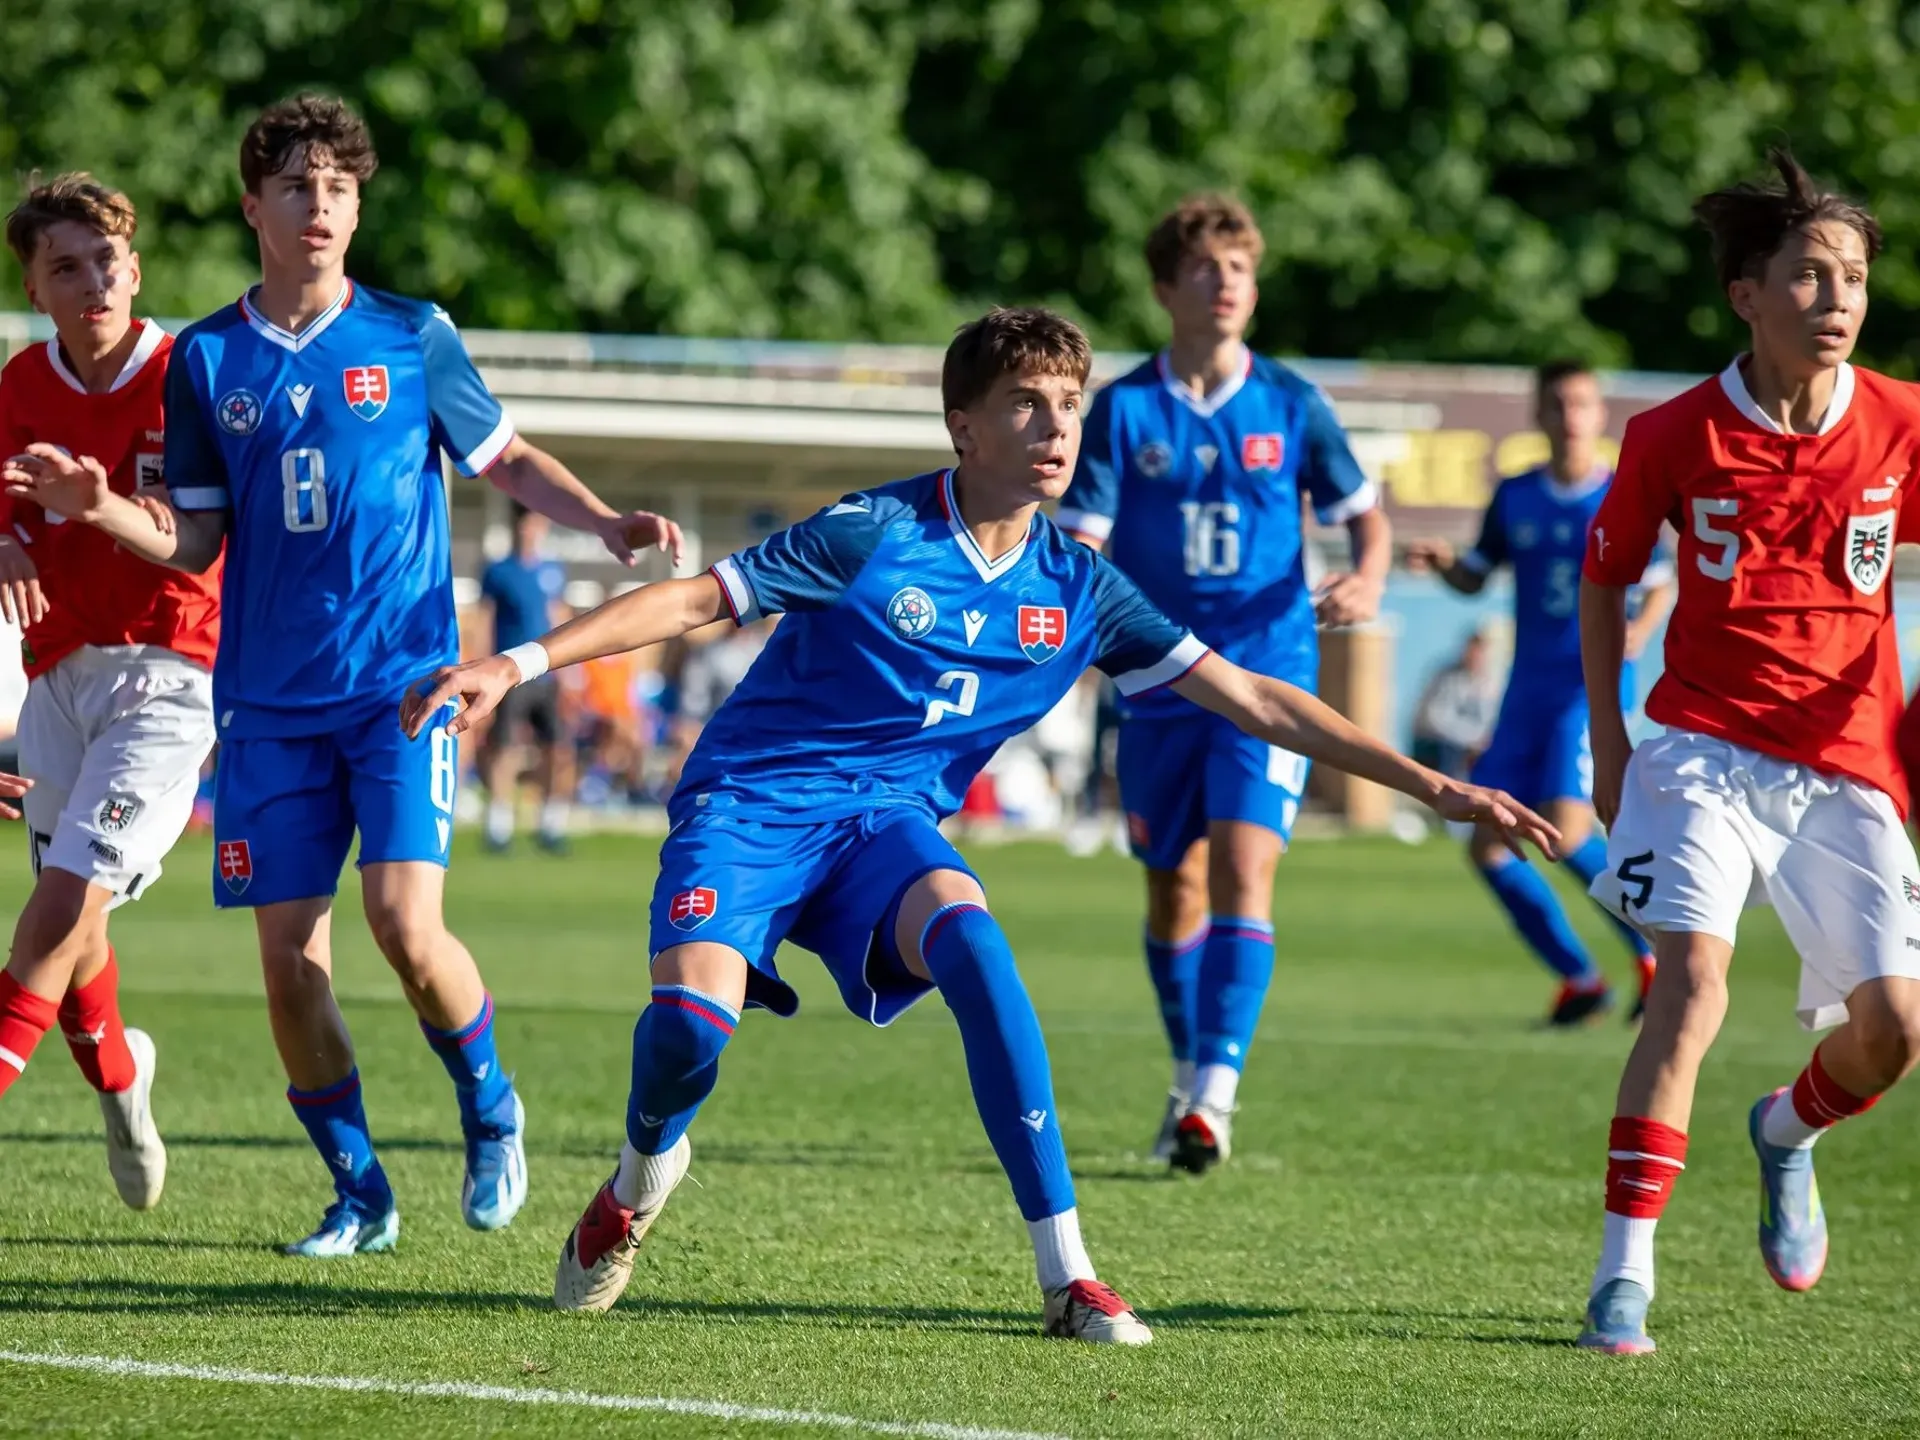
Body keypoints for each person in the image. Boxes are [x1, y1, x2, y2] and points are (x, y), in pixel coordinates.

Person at [403, 306, 1556, 1345]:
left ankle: (1068, 1276)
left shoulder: (1083, 587)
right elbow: (698, 599)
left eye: (1069, 406)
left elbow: (1253, 697)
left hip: (885, 829)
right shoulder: (871, 533)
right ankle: (640, 1177)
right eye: (1026, 404)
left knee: (976, 939)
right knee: (689, 1037)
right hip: (751, 806)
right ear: (964, 424)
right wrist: (518, 659)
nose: (1057, 428)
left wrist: (1431, 784)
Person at [4, 95, 683, 1257]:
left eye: (339, 187)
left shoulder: (412, 334)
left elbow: (503, 454)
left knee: (403, 925)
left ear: (357, 207)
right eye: (296, 185)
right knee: (287, 967)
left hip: (402, 683)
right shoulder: (208, 359)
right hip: (266, 700)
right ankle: (361, 1191)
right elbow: (196, 541)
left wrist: (605, 521)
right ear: (252, 206)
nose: (319, 205)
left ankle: (490, 1106)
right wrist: (96, 505)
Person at [1575, 150, 1920, 1355]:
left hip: (1848, 768)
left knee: (1897, 1032)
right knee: (1691, 990)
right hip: (1701, 754)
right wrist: (1613, 749)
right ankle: (1625, 1278)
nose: (1838, 300)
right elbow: (1606, 576)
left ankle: (1788, 1130)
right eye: (1811, 276)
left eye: (1856, 280)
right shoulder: (1672, 433)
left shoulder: (1901, 421)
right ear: (1746, 295)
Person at [1055, 194, 1390, 1171]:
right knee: (1173, 889)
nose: (1227, 283)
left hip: (1267, 670)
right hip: (1158, 679)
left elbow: (1362, 512)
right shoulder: (1123, 407)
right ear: (1166, 288)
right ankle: (1190, 1069)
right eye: (1206, 268)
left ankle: (1213, 1095)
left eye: (1240, 267)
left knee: (1246, 868)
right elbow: (1084, 538)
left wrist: (1365, 573)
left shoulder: (1290, 400)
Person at [0, 174, 224, 1211]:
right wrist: (4, 538)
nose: (94, 282)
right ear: (36, 289)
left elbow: (206, 538)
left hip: (171, 678)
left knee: (55, 911)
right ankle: (123, 1086)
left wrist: (100, 512)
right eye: (66, 268)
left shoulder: (193, 374)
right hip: (55, 679)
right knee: (76, 931)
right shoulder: (18, 385)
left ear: (136, 269)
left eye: (108, 262)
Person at [1407, 363, 1674, 1025]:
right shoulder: (1516, 494)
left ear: (1598, 413)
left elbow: (1663, 577)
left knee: (1565, 826)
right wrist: (1445, 564)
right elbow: (1476, 574)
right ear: (1539, 415)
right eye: (1557, 403)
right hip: (1525, 689)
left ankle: (1658, 950)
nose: (1570, 415)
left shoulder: (1619, 492)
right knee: (1487, 844)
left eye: (1581, 403)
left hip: (1590, 687)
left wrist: (1639, 627)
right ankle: (1580, 978)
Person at [478, 504, 572, 853]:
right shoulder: (499, 571)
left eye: (536, 524)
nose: (530, 530)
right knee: (504, 747)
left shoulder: (552, 570)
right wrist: (484, 664)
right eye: (525, 524)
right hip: (509, 671)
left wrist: (570, 670)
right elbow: (486, 619)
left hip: (546, 672)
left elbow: (560, 617)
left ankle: (551, 824)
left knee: (558, 749)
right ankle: (499, 825)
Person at [1409, 629, 1501, 781]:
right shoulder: (1446, 677)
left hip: (1472, 746)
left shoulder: (1489, 682)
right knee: (1455, 751)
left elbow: (1491, 720)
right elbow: (1435, 720)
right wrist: (1473, 738)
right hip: (1436, 746)